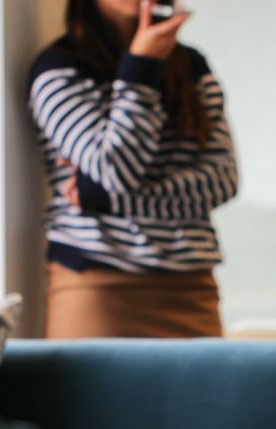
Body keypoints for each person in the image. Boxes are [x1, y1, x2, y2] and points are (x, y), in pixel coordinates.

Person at [28, 0, 239, 338]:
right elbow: (115, 170)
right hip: (96, 285)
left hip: (191, 288)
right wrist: (141, 67)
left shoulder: (192, 66)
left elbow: (222, 181)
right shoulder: (59, 68)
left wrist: (105, 198)